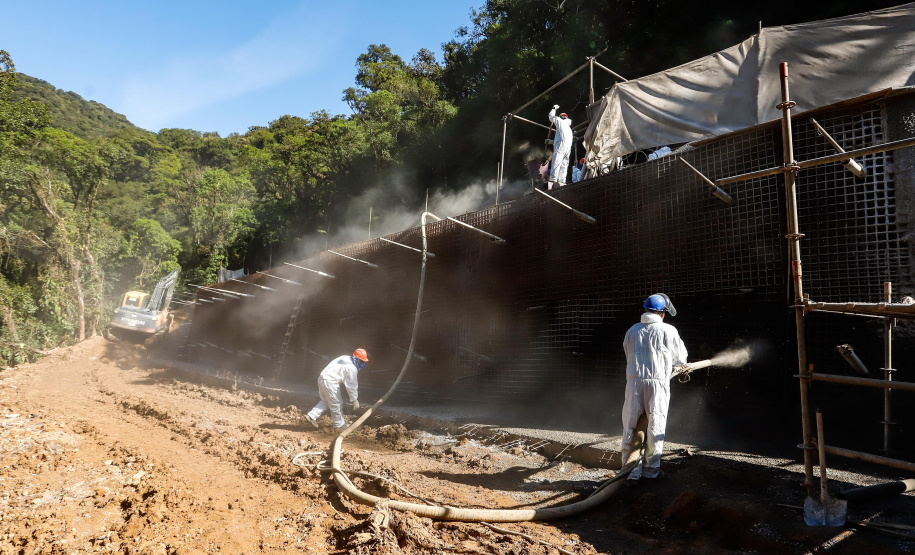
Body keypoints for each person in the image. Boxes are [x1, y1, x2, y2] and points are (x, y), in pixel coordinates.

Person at [621, 294, 687, 487]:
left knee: (630, 427)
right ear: (662, 313)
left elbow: (628, 353)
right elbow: (681, 358)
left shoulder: (632, 331)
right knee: (655, 425)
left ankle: (629, 473)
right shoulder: (669, 330)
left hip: (633, 382)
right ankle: (651, 472)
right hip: (658, 384)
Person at [305, 348, 368, 430]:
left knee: (326, 401)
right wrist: (354, 400)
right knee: (337, 404)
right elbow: (351, 386)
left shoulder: (344, 357)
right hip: (330, 382)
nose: (362, 363)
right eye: (361, 361)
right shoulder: (352, 368)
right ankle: (339, 426)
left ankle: (311, 416)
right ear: (356, 359)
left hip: (322, 378)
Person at [548, 105, 573, 189]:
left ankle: (553, 179)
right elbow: (561, 136)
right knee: (564, 163)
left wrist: (554, 108)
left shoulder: (559, 121)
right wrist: (552, 142)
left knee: (557, 159)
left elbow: (551, 117)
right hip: (568, 146)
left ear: (561, 117)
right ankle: (562, 180)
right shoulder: (569, 129)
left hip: (560, 145)